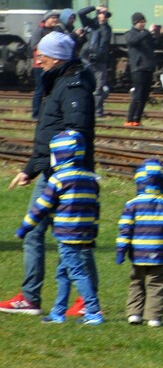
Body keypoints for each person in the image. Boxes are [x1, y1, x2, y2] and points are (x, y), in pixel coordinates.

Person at [1, 31, 95, 318]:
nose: (37, 62)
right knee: (63, 235)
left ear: (56, 58)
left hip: (64, 175)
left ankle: (40, 298)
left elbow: (74, 133)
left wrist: (61, 174)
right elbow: (51, 134)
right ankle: (78, 299)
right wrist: (31, 169)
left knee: (59, 235)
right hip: (53, 171)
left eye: (41, 56)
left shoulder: (73, 87)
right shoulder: (59, 81)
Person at [15, 130, 102, 325]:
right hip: (84, 234)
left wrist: (24, 228)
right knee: (62, 273)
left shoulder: (58, 179)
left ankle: (94, 311)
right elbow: (95, 209)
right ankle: (58, 312)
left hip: (66, 235)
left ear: (59, 155)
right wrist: (92, 234)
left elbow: (40, 207)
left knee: (77, 273)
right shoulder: (90, 179)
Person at [115, 159, 163, 326]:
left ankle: (134, 314)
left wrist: (121, 250)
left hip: (138, 253)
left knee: (136, 283)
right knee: (156, 284)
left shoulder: (132, 205)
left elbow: (125, 229)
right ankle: (154, 317)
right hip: (160, 253)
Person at [124, 12, 163, 126]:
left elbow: (155, 44)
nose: (143, 24)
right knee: (138, 94)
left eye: (144, 22)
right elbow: (133, 41)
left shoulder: (145, 34)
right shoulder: (130, 34)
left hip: (148, 67)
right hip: (138, 68)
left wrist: (160, 36)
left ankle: (137, 119)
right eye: (141, 22)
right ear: (135, 23)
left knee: (145, 95)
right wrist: (148, 32)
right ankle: (129, 118)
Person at [79, 6, 113, 117]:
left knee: (99, 88)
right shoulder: (90, 24)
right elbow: (81, 13)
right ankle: (84, 108)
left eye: (105, 14)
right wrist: (94, 7)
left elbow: (105, 41)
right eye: (101, 13)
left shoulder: (107, 28)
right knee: (85, 86)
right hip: (86, 59)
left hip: (100, 61)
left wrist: (102, 23)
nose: (103, 16)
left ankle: (98, 111)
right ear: (97, 14)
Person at [27, 11, 60, 119]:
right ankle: (35, 113)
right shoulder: (39, 30)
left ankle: (47, 112)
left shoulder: (54, 31)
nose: (55, 20)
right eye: (53, 18)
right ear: (46, 19)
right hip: (40, 65)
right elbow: (35, 46)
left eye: (56, 18)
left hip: (51, 64)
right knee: (40, 90)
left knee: (50, 90)